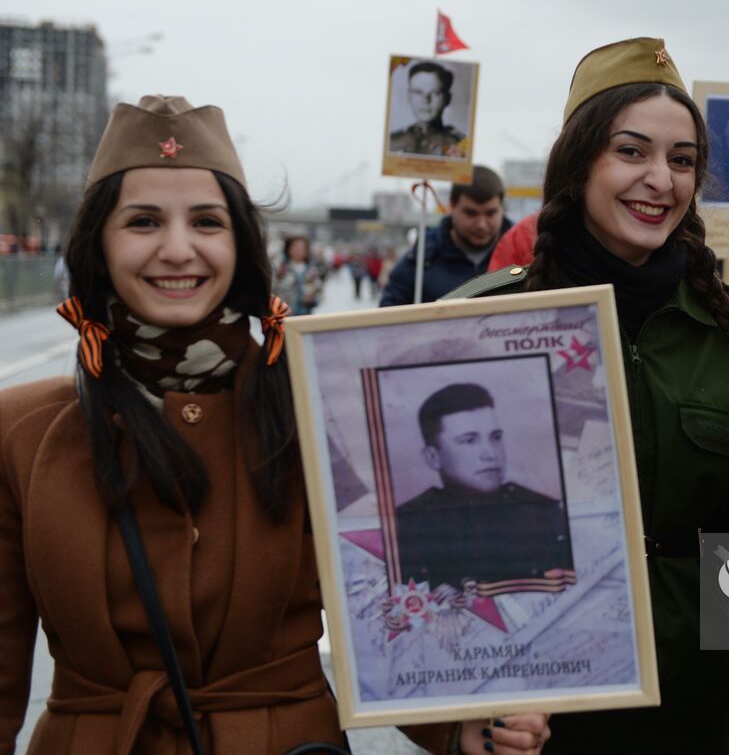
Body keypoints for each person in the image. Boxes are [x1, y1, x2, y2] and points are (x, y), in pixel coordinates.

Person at [0, 95, 548, 755]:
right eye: (143, 221)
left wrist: (465, 725)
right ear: (99, 243)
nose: (178, 249)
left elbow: (390, 614)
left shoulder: (325, 407)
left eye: (207, 221)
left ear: (240, 243)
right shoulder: (21, 434)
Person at [446, 37, 729, 754]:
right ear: (579, 164)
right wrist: (459, 712)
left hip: (687, 705)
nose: (660, 178)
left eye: (682, 159)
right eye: (632, 152)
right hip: (538, 704)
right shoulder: (481, 319)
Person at [395, 383, 571, 592]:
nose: (490, 453)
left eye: (495, 437)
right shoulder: (403, 528)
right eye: (469, 441)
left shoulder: (547, 514)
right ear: (433, 457)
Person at [379, 165, 512, 306]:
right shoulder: (419, 260)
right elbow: (386, 321)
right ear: (451, 206)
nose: (481, 224)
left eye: (490, 213)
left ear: (501, 209)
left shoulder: (524, 252)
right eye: (471, 213)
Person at [387, 60, 469, 157]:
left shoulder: (461, 144)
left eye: (435, 93)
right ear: (409, 96)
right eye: (418, 92)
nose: (425, 100)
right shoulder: (391, 141)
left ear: (447, 99)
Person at [272, 234, 322, 315]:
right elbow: (273, 291)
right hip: (284, 317)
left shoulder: (312, 271)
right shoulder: (281, 269)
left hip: (305, 316)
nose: (298, 250)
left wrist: (313, 299)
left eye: (301, 247)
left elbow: (319, 292)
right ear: (288, 249)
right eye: (295, 246)